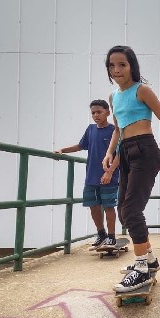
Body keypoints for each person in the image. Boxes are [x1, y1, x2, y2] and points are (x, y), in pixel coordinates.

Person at [102, 45, 160, 292]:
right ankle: (150, 260)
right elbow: (117, 128)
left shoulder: (142, 91)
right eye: (112, 65)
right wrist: (110, 153)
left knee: (132, 209)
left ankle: (141, 268)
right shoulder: (113, 97)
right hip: (125, 151)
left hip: (145, 150)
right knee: (123, 211)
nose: (117, 69)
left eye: (122, 64)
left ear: (132, 65)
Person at [55, 100, 120, 250]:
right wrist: (62, 150)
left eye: (99, 112)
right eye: (93, 113)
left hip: (108, 176)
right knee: (93, 206)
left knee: (109, 206)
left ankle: (111, 237)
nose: (96, 115)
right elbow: (80, 145)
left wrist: (109, 172)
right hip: (91, 176)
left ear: (107, 113)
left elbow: (119, 154)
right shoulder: (90, 129)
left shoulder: (114, 131)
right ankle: (101, 234)